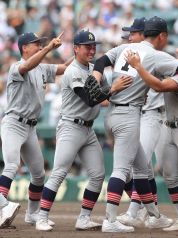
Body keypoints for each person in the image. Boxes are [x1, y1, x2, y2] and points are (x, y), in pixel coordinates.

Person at [92, 16, 178, 233]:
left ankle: (153, 214)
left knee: (142, 168)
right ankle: (111, 219)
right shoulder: (156, 56)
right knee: (122, 170)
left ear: (144, 33)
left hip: (116, 113)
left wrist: (96, 78)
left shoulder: (123, 48)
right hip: (131, 115)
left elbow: (100, 62)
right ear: (162, 36)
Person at [35, 30, 132, 231]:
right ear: (76, 48)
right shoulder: (72, 71)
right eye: (87, 46)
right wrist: (114, 88)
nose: (92, 49)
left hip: (87, 130)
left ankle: (84, 218)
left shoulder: (94, 69)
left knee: (98, 174)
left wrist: (123, 98)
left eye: (93, 46)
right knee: (59, 172)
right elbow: (90, 99)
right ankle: (41, 217)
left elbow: (104, 98)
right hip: (71, 126)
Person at [125, 33, 178, 234]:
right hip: (168, 126)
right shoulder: (176, 65)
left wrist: (139, 66)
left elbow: (161, 86)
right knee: (170, 176)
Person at [0, 32, 70, 228]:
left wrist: (79, 52)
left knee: (39, 174)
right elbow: (27, 66)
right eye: (35, 43)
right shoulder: (16, 67)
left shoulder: (42, 68)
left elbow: (64, 68)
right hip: (13, 123)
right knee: (12, 165)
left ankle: (32, 214)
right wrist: (48, 48)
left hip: (30, 127)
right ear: (24, 48)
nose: (39, 45)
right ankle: (1, 209)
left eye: (40, 43)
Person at [117, 17, 178, 228]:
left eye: (132, 33)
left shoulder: (156, 56)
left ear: (144, 35)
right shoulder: (130, 55)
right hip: (139, 114)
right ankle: (149, 211)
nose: (129, 37)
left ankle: (138, 210)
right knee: (146, 167)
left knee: (155, 168)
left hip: (154, 113)